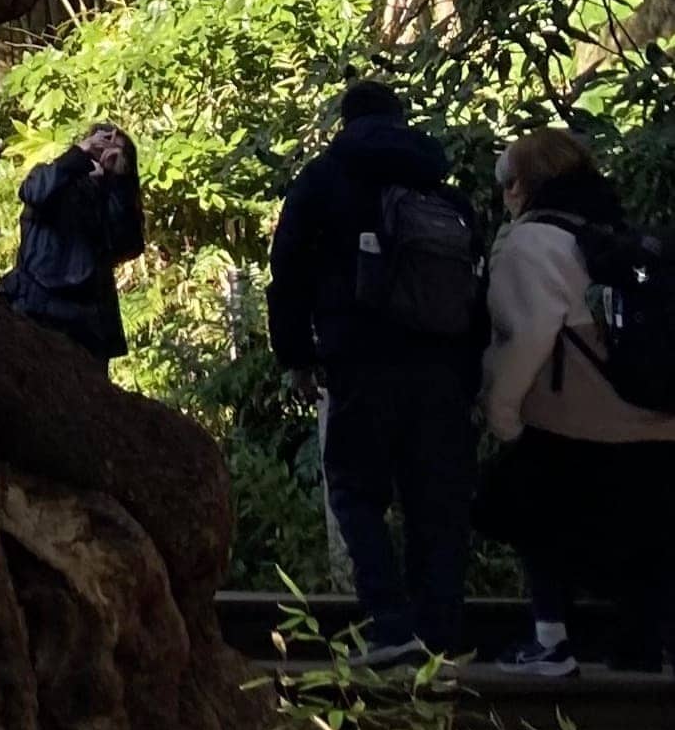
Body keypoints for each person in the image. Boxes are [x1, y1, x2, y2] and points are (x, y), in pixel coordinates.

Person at [267, 80, 483, 665]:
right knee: (434, 501)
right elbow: (473, 286)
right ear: (400, 119)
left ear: (346, 119)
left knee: (356, 490)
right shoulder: (440, 187)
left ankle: (390, 626)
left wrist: (296, 356)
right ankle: (440, 636)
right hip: (441, 366)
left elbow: (287, 270)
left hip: (359, 360)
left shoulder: (323, 181)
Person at [482, 126, 675, 680]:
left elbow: (531, 334)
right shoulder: (613, 229)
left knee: (532, 516)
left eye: (509, 183)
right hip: (651, 414)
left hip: (575, 418)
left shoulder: (530, 242)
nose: (506, 195)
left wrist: (503, 411)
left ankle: (550, 640)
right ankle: (641, 650)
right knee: (645, 537)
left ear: (524, 185)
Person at [0, 124, 144, 364]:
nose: (104, 153)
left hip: (87, 323)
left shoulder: (114, 198)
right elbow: (33, 192)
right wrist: (80, 154)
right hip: (37, 307)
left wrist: (116, 180)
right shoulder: (53, 178)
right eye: (101, 145)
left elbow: (127, 243)